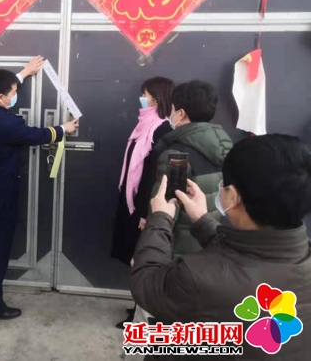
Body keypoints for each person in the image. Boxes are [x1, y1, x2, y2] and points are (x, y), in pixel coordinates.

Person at [131, 135, 311, 359]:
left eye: (224, 185)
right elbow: (248, 254)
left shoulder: (196, 276)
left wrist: (160, 218)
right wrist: (202, 220)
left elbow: (147, 284)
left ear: (233, 196)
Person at [0, 56, 78, 320]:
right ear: (1, 98)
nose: (15, 95)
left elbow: (2, 89)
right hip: (0, 195)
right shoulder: (9, 125)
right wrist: (64, 128)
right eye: (13, 93)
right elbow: (37, 135)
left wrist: (24, 73)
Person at [111, 77, 174, 328]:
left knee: (143, 259)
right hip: (132, 202)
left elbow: (153, 177)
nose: (142, 98)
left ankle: (140, 315)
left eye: (145, 94)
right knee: (134, 256)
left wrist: (147, 214)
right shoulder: (144, 126)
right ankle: (138, 306)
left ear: (155, 99)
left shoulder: (162, 131)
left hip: (144, 207)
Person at [149, 80, 233, 257]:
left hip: (177, 249)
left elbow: (167, 207)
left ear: (180, 113)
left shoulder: (177, 155)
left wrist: (151, 246)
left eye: (172, 109)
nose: (170, 114)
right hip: (208, 238)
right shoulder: (223, 146)